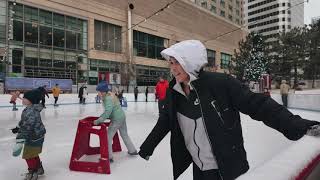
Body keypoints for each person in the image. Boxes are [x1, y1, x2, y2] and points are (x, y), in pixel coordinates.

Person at [138, 40, 320, 180]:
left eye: (176, 62)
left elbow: (259, 105)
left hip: (228, 168)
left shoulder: (221, 84)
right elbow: (165, 121)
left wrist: (299, 126)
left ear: (190, 61)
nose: (172, 68)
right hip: (199, 170)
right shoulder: (173, 92)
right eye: (170, 63)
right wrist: (147, 147)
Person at [93, 81, 138, 162]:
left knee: (108, 137)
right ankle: (132, 150)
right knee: (124, 134)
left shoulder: (108, 98)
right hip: (122, 116)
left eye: (98, 91)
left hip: (117, 119)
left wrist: (99, 120)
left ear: (103, 92)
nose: (98, 93)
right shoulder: (109, 95)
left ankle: (108, 157)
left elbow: (108, 112)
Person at [11, 89, 46, 180]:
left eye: (25, 98)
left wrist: (20, 138)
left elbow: (27, 127)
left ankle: (33, 172)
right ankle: (39, 168)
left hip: (34, 136)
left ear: (31, 101)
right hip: (37, 135)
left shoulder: (31, 112)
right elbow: (24, 122)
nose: (22, 99)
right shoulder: (29, 109)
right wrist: (18, 127)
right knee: (33, 154)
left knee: (28, 155)